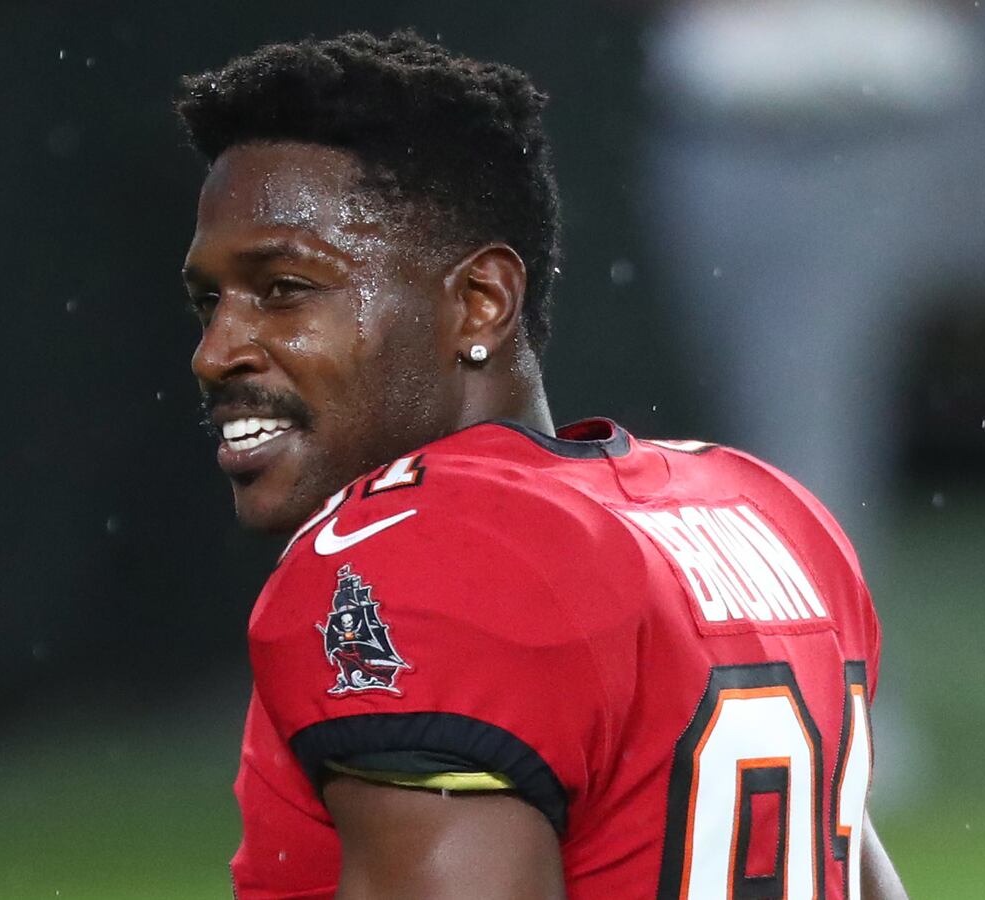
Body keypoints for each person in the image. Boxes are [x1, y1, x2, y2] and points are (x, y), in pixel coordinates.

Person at [175, 31, 907, 899]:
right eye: (209, 301)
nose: (215, 351)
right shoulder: (762, 510)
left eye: (286, 290)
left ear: (480, 303)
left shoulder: (413, 560)